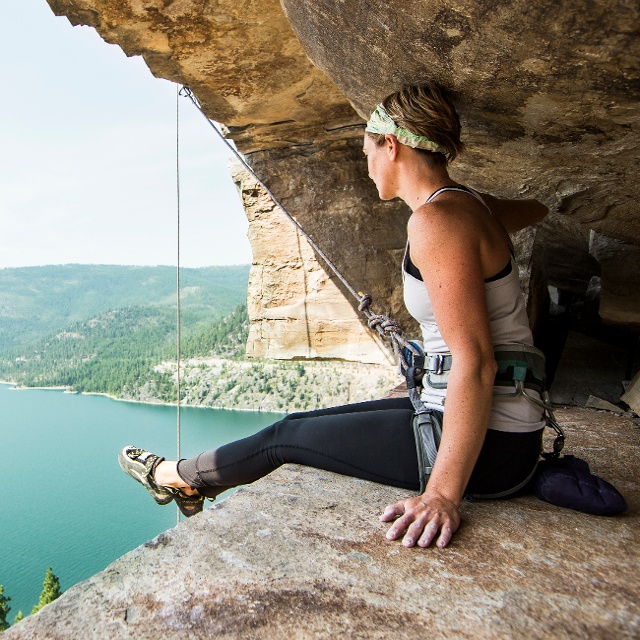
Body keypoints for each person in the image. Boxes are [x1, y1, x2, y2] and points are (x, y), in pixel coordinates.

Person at [119, 82, 549, 548]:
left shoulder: (436, 221)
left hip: (495, 447)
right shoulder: (469, 205)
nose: (366, 167)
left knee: (284, 438)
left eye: (368, 151)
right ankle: (195, 480)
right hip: (499, 426)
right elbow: (537, 208)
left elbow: (477, 362)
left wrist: (442, 494)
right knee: (305, 424)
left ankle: (177, 478)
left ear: (392, 145)